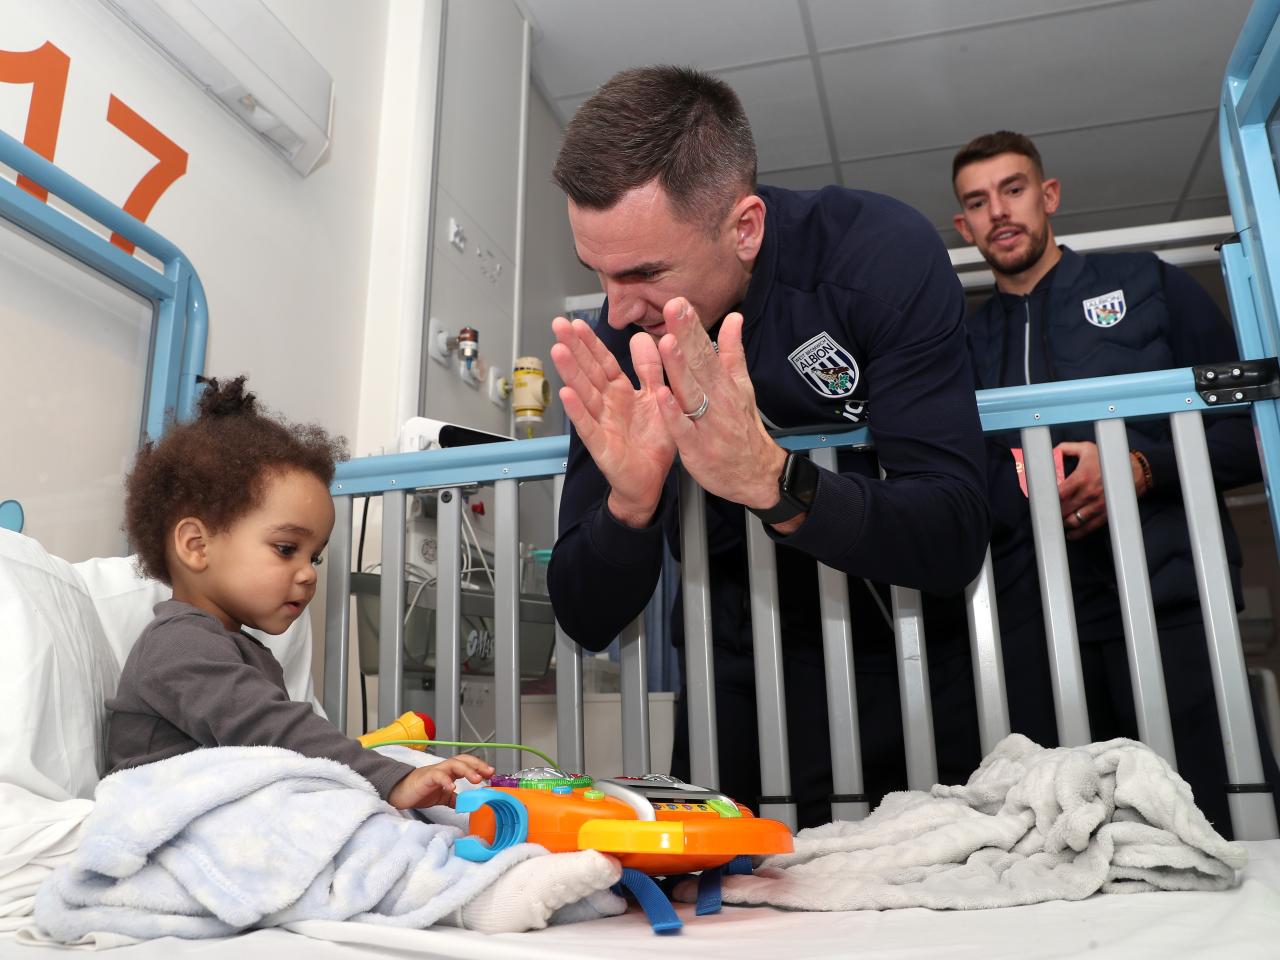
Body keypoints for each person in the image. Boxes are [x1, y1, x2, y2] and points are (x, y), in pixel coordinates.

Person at [546, 66, 995, 829]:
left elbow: (952, 531)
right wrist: (628, 507)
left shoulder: (875, 254)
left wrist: (774, 480)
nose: (616, 311)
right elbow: (585, 616)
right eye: (598, 274)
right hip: (731, 694)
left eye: (644, 272)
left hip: (910, 672)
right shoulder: (626, 339)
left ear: (744, 227)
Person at [952, 129, 1279, 837]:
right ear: (963, 225)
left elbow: (1255, 431)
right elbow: (953, 486)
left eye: (1013, 190)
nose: (998, 212)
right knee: (1064, 839)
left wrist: (1139, 467)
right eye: (977, 203)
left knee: (1218, 820)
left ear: (1049, 195)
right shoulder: (963, 345)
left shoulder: (1146, 284)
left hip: (1176, 607)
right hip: (1036, 630)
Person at [106, 376, 493, 810]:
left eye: (315, 557)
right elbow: (275, 731)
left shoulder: (238, 648)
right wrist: (390, 778)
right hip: (172, 818)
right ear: (197, 546)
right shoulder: (178, 645)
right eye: (286, 549)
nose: (308, 574)